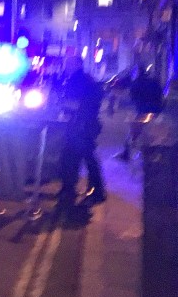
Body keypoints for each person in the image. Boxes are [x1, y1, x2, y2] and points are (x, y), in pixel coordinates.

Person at [57, 57, 106, 210]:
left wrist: (60, 104)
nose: (66, 66)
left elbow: (76, 103)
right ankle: (73, 189)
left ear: (77, 64)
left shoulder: (78, 80)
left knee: (76, 158)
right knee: (80, 158)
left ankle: (80, 190)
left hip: (81, 126)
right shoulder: (84, 78)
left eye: (69, 63)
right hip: (85, 125)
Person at [116, 67, 163, 160]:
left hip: (142, 111)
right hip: (156, 111)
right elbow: (159, 96)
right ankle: (151, 153)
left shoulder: (136, 84)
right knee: (151, 132)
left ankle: (127, 154)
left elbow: (133, 98)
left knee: (134, 132)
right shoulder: (154, 82)